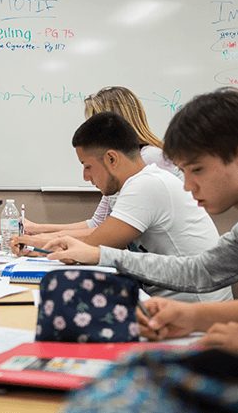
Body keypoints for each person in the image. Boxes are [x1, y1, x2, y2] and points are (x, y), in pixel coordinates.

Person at [43, 87, 238, 353]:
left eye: (197, 170)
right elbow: (200, 271)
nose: (188, 186)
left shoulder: (147, 183)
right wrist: (190, 316)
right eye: (184, 171)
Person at [22, 111, 232, 302]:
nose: (85, 177)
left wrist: (37, 243)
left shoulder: (146, 185)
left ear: (112, 158)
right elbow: (98, 239)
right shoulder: (136, 184)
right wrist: (41, 242)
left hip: (192, 312)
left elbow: (93, 245)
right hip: (172, 306)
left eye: (87, 167)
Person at [22, 86, 183, 243]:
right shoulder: (121, 169)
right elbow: (98, 223)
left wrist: (42, 241)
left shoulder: (147, 161)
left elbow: (104, 236)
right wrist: (37, 231)